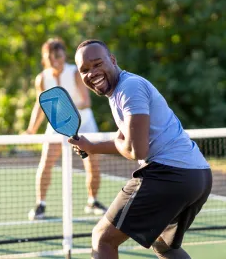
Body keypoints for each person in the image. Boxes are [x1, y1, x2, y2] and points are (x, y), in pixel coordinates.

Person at [68, 39, 212, 259]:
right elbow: (126, 140)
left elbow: (138, 150)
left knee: (102, 239)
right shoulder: (119, 91)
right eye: (85, 70)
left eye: (97, 64)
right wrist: (91, 147)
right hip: (197, 176)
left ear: (113, 60)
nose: (92, 73)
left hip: (170, 174)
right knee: (163, 245)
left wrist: (115, 144)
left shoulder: (129, 89)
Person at [25, 37, 107, 220]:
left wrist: (65, 108)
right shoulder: (42, 79)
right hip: (56, 127)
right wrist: (31, 129)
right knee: (46, 162)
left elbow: (86, 102)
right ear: (45, 58)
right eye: (50, 56)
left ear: (64, 55)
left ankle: (92, 201)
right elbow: (40, 105)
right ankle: (40, 205)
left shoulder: (75, 73)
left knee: (92, 163)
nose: (55, 59)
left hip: (84, 123)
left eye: (58, 55)